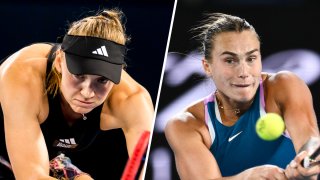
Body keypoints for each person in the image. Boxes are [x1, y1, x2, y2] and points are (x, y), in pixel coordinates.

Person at [0, 9, 153, 180]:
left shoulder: (133, 100)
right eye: (79, 75)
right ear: (59, 61)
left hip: (44, 156)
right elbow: (30, 177)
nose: (87, 93)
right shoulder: (23, 76)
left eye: (102, 80)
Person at [165, 13, 320, 179]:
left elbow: (310, 142)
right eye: (230, 60)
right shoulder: (185, 124)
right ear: (207, 66)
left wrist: (305, 165)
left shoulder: (285, 85)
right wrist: (247, 177)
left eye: (251, 58)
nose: (244, 72)